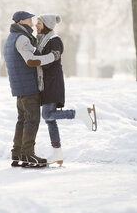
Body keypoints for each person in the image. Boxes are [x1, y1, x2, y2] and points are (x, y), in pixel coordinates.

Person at [36, 14, 97, 166]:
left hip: (53, 83)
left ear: (47, 25)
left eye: (39, 23)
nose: (36, 25)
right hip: (46, 84)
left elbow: (50, 61)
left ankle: (80, 113)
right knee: (50, 120)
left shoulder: (54, 40)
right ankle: (57, 153)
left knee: (47, 114)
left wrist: (34, 58)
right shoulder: (42, 39)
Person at [3, 11, 61, 167]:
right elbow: (31, 60)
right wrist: (52, 57)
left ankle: (17, 154)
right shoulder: (22, 38)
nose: (32, 23)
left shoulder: (11, 37)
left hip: (19, 86)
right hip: (28, 86)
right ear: (21, 21)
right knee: (32, 121)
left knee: (22, 120)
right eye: (29, 20)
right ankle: (28, 154)